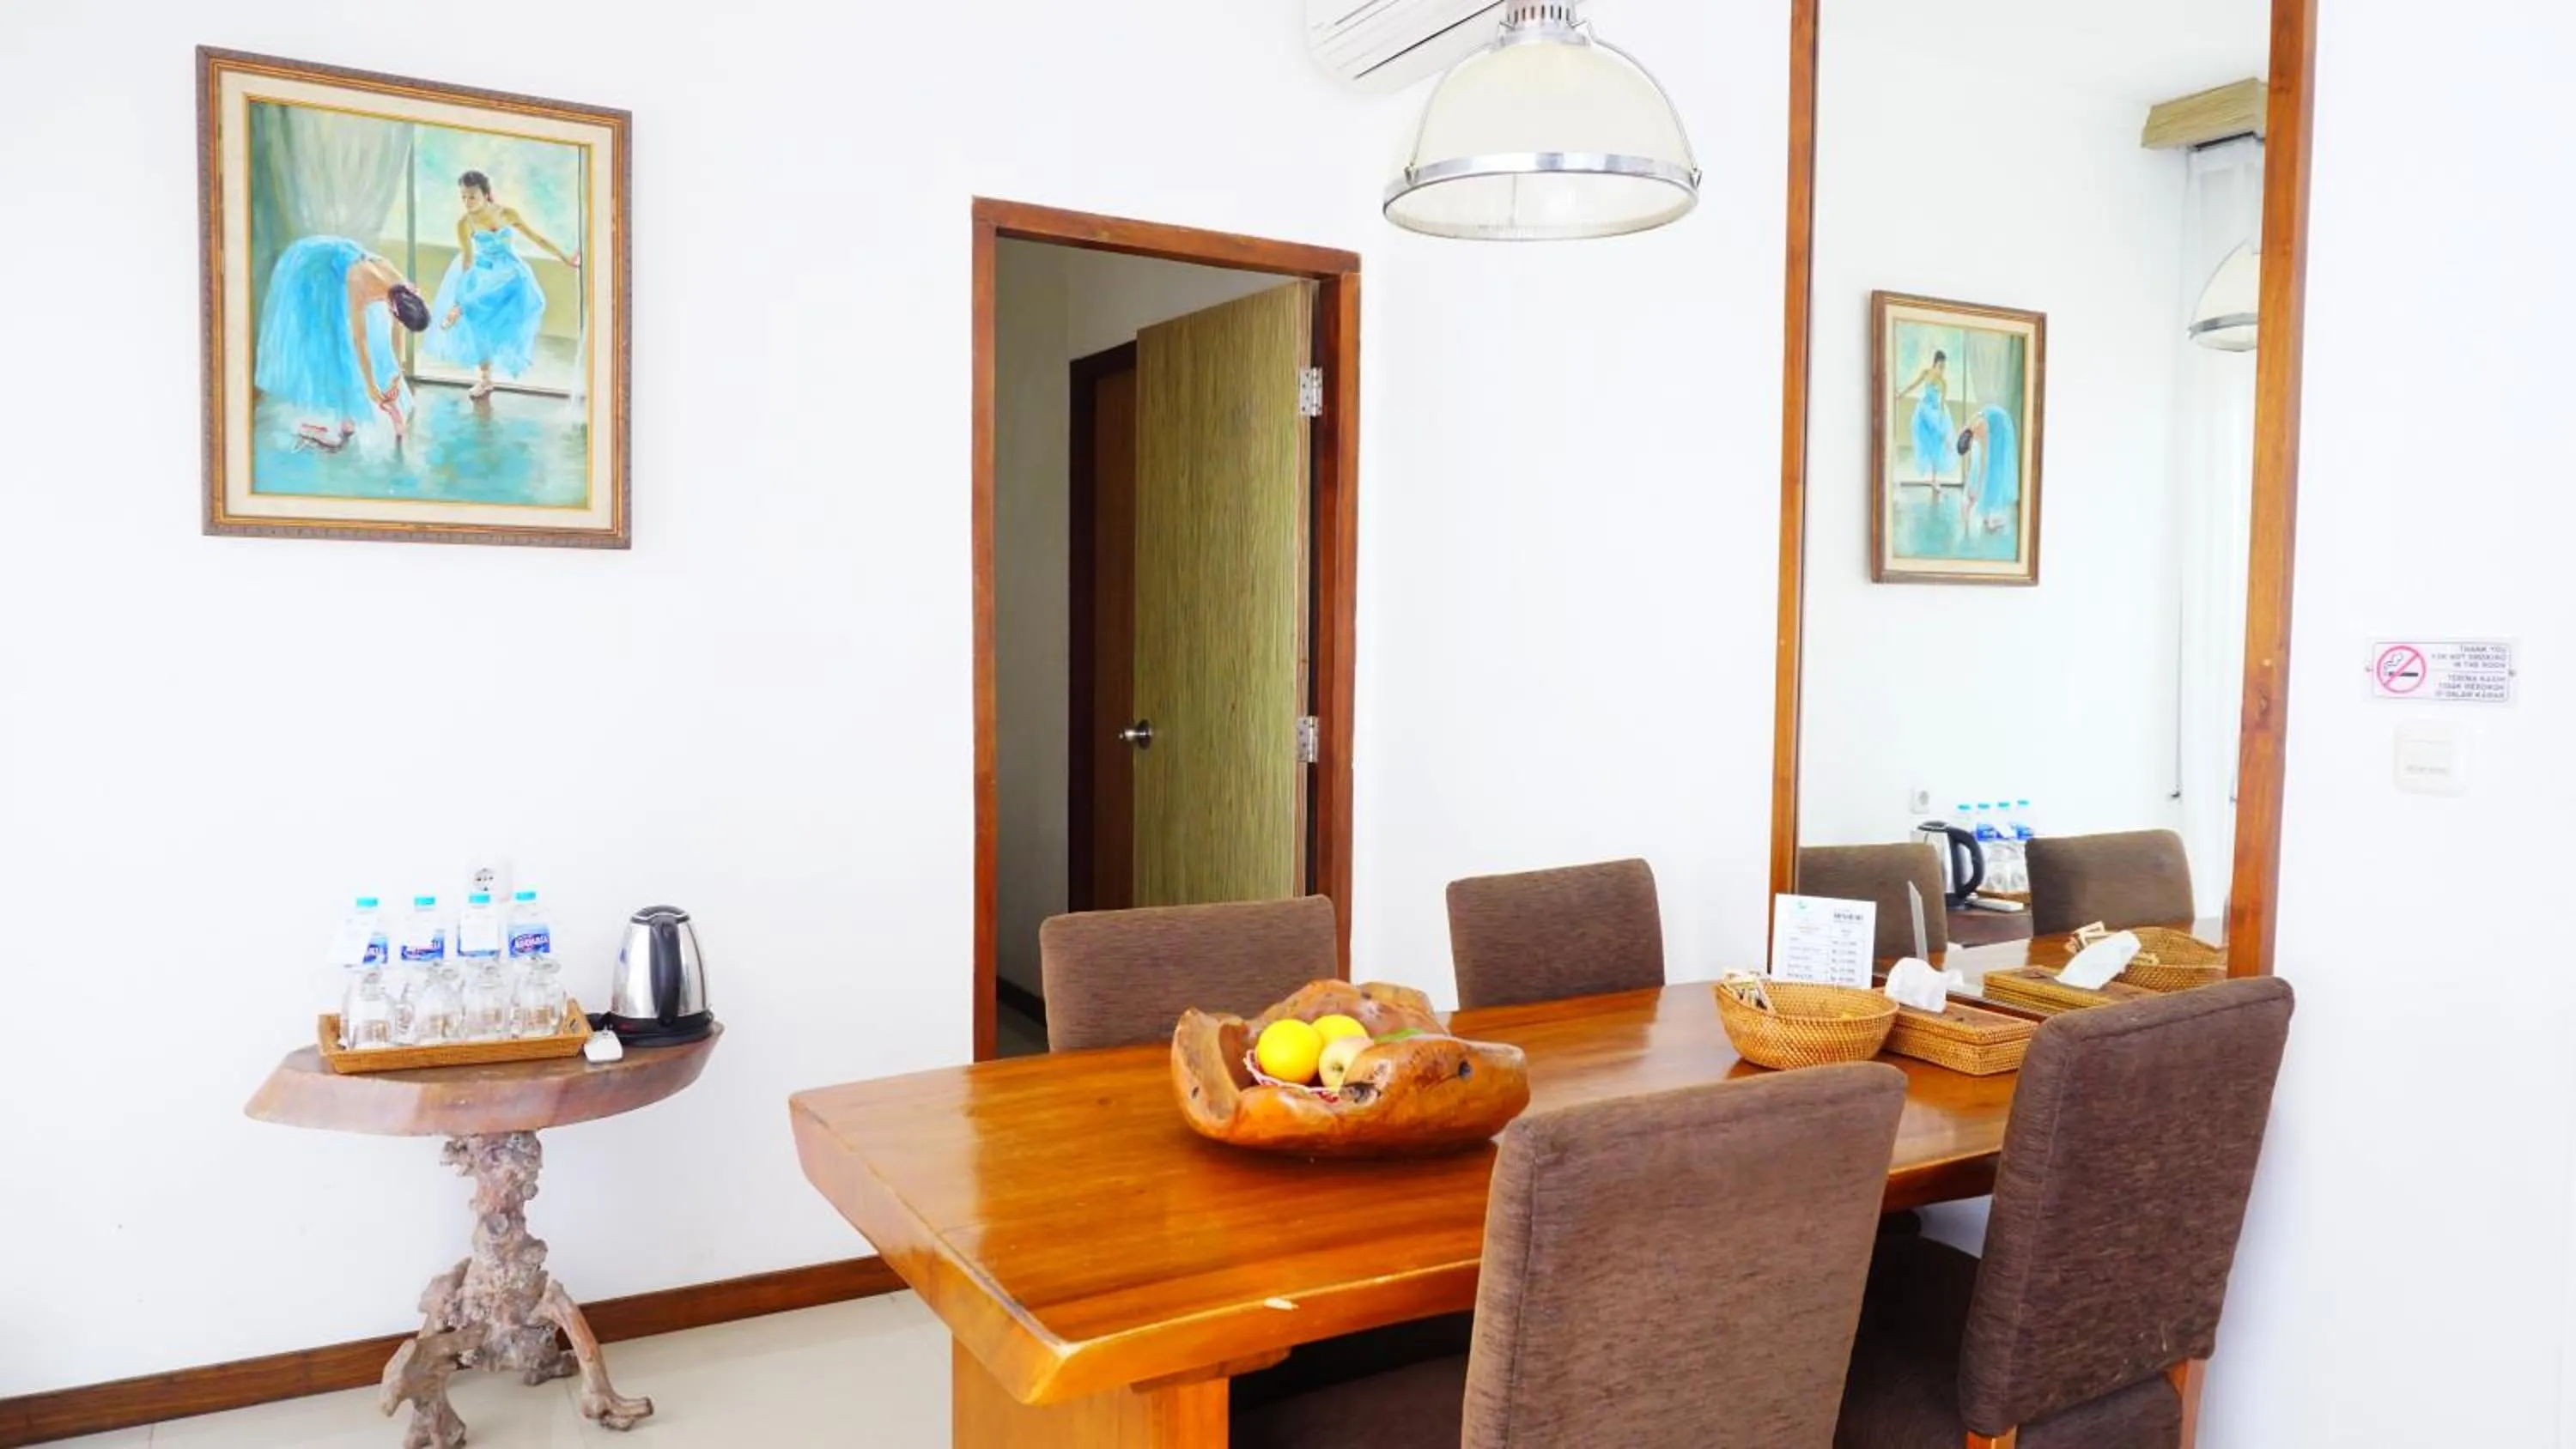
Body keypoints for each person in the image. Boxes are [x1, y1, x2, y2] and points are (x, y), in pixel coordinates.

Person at [253, 236, 430, 442]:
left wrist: (396, 374)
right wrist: (371, 387)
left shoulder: (401, 290)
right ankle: (329, 418)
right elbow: (360, 340)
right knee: (332, 340)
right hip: (316, 270)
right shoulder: (360, 282)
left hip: (346, 266)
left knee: (367, 340)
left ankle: (346, 415)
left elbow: (396, 332)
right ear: (393, 308)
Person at [427, 169, 581, 399]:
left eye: (472, 196)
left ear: (486, 194)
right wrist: (461, 296)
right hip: (483, 271)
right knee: (477, 321)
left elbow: (537, 238)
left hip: (510, 271)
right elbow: (468, 261)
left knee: (527, 298)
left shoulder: (507, 214)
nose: (467, 202)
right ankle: (485, 378)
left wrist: (565, 258)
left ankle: (467, 315)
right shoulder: (465, 223)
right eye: (463, 197)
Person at [1955, 403, 2020, 533]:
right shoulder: (1966, 431)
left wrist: (1978, 488)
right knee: (1982, 467)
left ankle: (1991, 518)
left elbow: (1984, 463)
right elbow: (1969, 459)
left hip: (2001, 425)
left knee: (1994, 467)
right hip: (1990, 418)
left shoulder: (1981, 431)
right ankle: (1988, 517)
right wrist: (1969, 484)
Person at [1896, 350, 1953, 484]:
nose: (1942, 370)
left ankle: (1934, 479)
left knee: (1936, 443)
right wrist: (1901, 395)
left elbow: (1942, 404)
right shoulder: (1926, 373)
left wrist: (1941, 419)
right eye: (1940, 366)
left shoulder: (1943, 382)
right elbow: (1913, 385)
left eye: (1944, 367)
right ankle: (1945, 441)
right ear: (1935, 363)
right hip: (1924, 408)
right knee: (1927, 438)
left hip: (1936, 410)